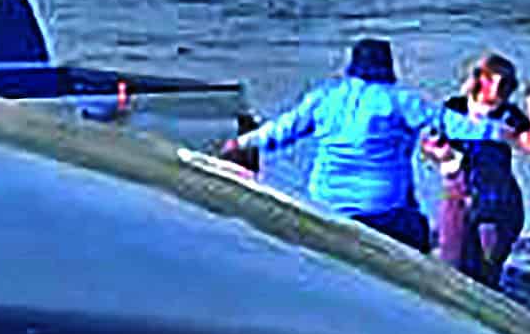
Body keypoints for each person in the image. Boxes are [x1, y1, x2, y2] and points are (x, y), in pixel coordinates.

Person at [218, 37, 510, 253]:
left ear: (352, 68)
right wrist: (504, 133)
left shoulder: (325, 98)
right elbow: (450, 123)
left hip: (325, 204)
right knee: (419, 233)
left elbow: (280, 132)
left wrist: (240, 142)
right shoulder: (398, 101)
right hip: (382, 208)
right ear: (388, 68)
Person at [426, 52, 530, 287]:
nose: (505, 91)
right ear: (480, 80)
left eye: (510, 85)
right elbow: (431, 142)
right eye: (500, 83)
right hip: (459, 196)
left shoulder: (509, 115)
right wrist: (438, 152)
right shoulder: (454, 107)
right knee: (452, 267)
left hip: (498, 200)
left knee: (486, 273)